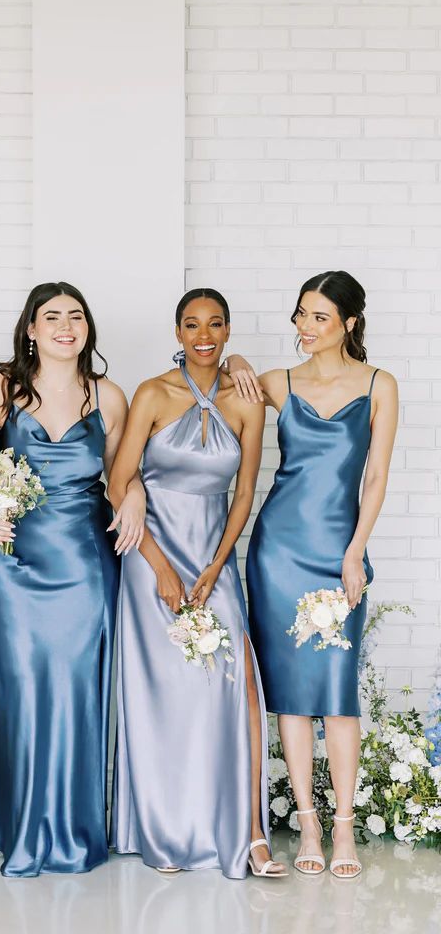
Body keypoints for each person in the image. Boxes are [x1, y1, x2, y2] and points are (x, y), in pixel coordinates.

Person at [0, 281, 145, 877]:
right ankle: (21, 825)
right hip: (10, 560)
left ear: (87, 328)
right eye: (52, 316)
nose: (66, 325)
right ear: (31, 329)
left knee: (76, 688)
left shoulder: (109, 397)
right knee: (19, 688)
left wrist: (135, 493)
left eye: (76, 316)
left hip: (86, 562)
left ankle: (74, 828)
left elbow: (123, 475)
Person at [109, 289, 286, 880]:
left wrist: (217, 564)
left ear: (228, 330)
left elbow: (244, 494)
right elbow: (119, 480)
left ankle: (251, 832)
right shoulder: (153, 393)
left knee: (237, 687)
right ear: (178, 331)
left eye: (215, 325)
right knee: (165, 691)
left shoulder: (246, 401)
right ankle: (164, 827)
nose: (203, 334)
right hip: (151, 555)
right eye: (192, 324)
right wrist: (159, 566)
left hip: (215, 557)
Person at [242, 271, 398, 878]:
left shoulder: (379, 385)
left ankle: (343, 829)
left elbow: (376, 476)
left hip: (339, 552)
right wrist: (233, 361)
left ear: (349, 324)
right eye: (301, 315)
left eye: (319, 318)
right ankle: (306, 821)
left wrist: (356, 549)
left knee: (336, 692)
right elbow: (231, 375)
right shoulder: (281, 383)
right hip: (278, 550)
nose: (304, 328)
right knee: (290, 694)